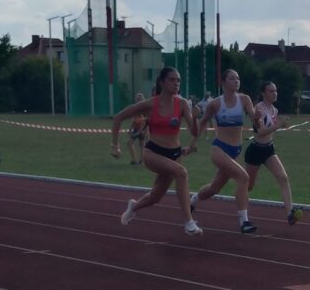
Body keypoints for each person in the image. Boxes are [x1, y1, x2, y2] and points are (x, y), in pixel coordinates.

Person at [110, 67, 203, 236]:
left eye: (178, 80)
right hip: (153, 153)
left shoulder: (182, 104)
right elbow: (118, 118)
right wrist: (115, 146)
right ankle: (189, 222)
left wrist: (196, 117)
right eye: (172, 80)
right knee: (181, 173)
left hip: (174, 154)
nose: (176, 83)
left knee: (155, 197)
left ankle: (133, 207)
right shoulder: (149, 104)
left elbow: (195, 132)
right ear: (162, 82)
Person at [188, 69, 258, 233]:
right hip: (219, 148)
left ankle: (193, 200)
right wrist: (191, 145)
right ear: (223, 82)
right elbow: (202, 124)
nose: (236, 81)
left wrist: (258, 117)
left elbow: (254, 118)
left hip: (236, 150)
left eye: (238, 78)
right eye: (232, 78)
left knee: (214, 188)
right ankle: (244, 221)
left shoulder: (244, 99)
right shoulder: (215, 104)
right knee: (243, 177)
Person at [245, 81, 302, 225]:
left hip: (269, 149)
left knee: (283, 178)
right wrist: (278, 125)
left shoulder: (274, 110)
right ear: (263, 93)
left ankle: (289, 213)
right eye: (271, 91)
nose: (275, 93)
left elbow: (270, 132)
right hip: (255, 150)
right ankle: (243, 214)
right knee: (248, 186)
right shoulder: (258, 108)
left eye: (275, 91)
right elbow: (261, 131)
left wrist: (279, 126)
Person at [127, 92, 147, 165]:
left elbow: (148, 119)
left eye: (140, 99)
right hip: (136, 128)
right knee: (131, 143)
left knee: (140, 144)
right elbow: (134, 120)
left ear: (143, 99)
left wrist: (141, 121)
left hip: (142, 128)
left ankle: (139, 160)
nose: (138, 100)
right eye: (137, 99)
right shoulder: (135, 108)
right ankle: (135, 160)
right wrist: (130, 129)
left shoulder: (144, 108)